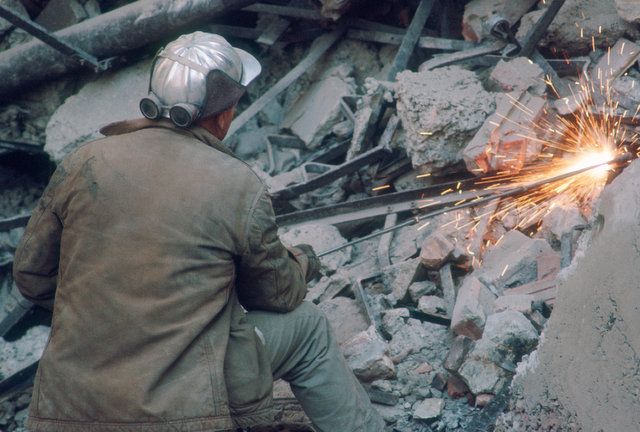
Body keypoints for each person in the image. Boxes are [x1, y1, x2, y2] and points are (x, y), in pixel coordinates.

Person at [13, 32, 385, 432]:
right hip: (180, 410)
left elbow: (32, 278)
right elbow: (276, 295)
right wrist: (302, 261)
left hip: (69, 406)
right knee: (307, 328)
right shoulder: (237, 185)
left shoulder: (83, 162)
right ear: (223, 115)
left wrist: (108, 308)